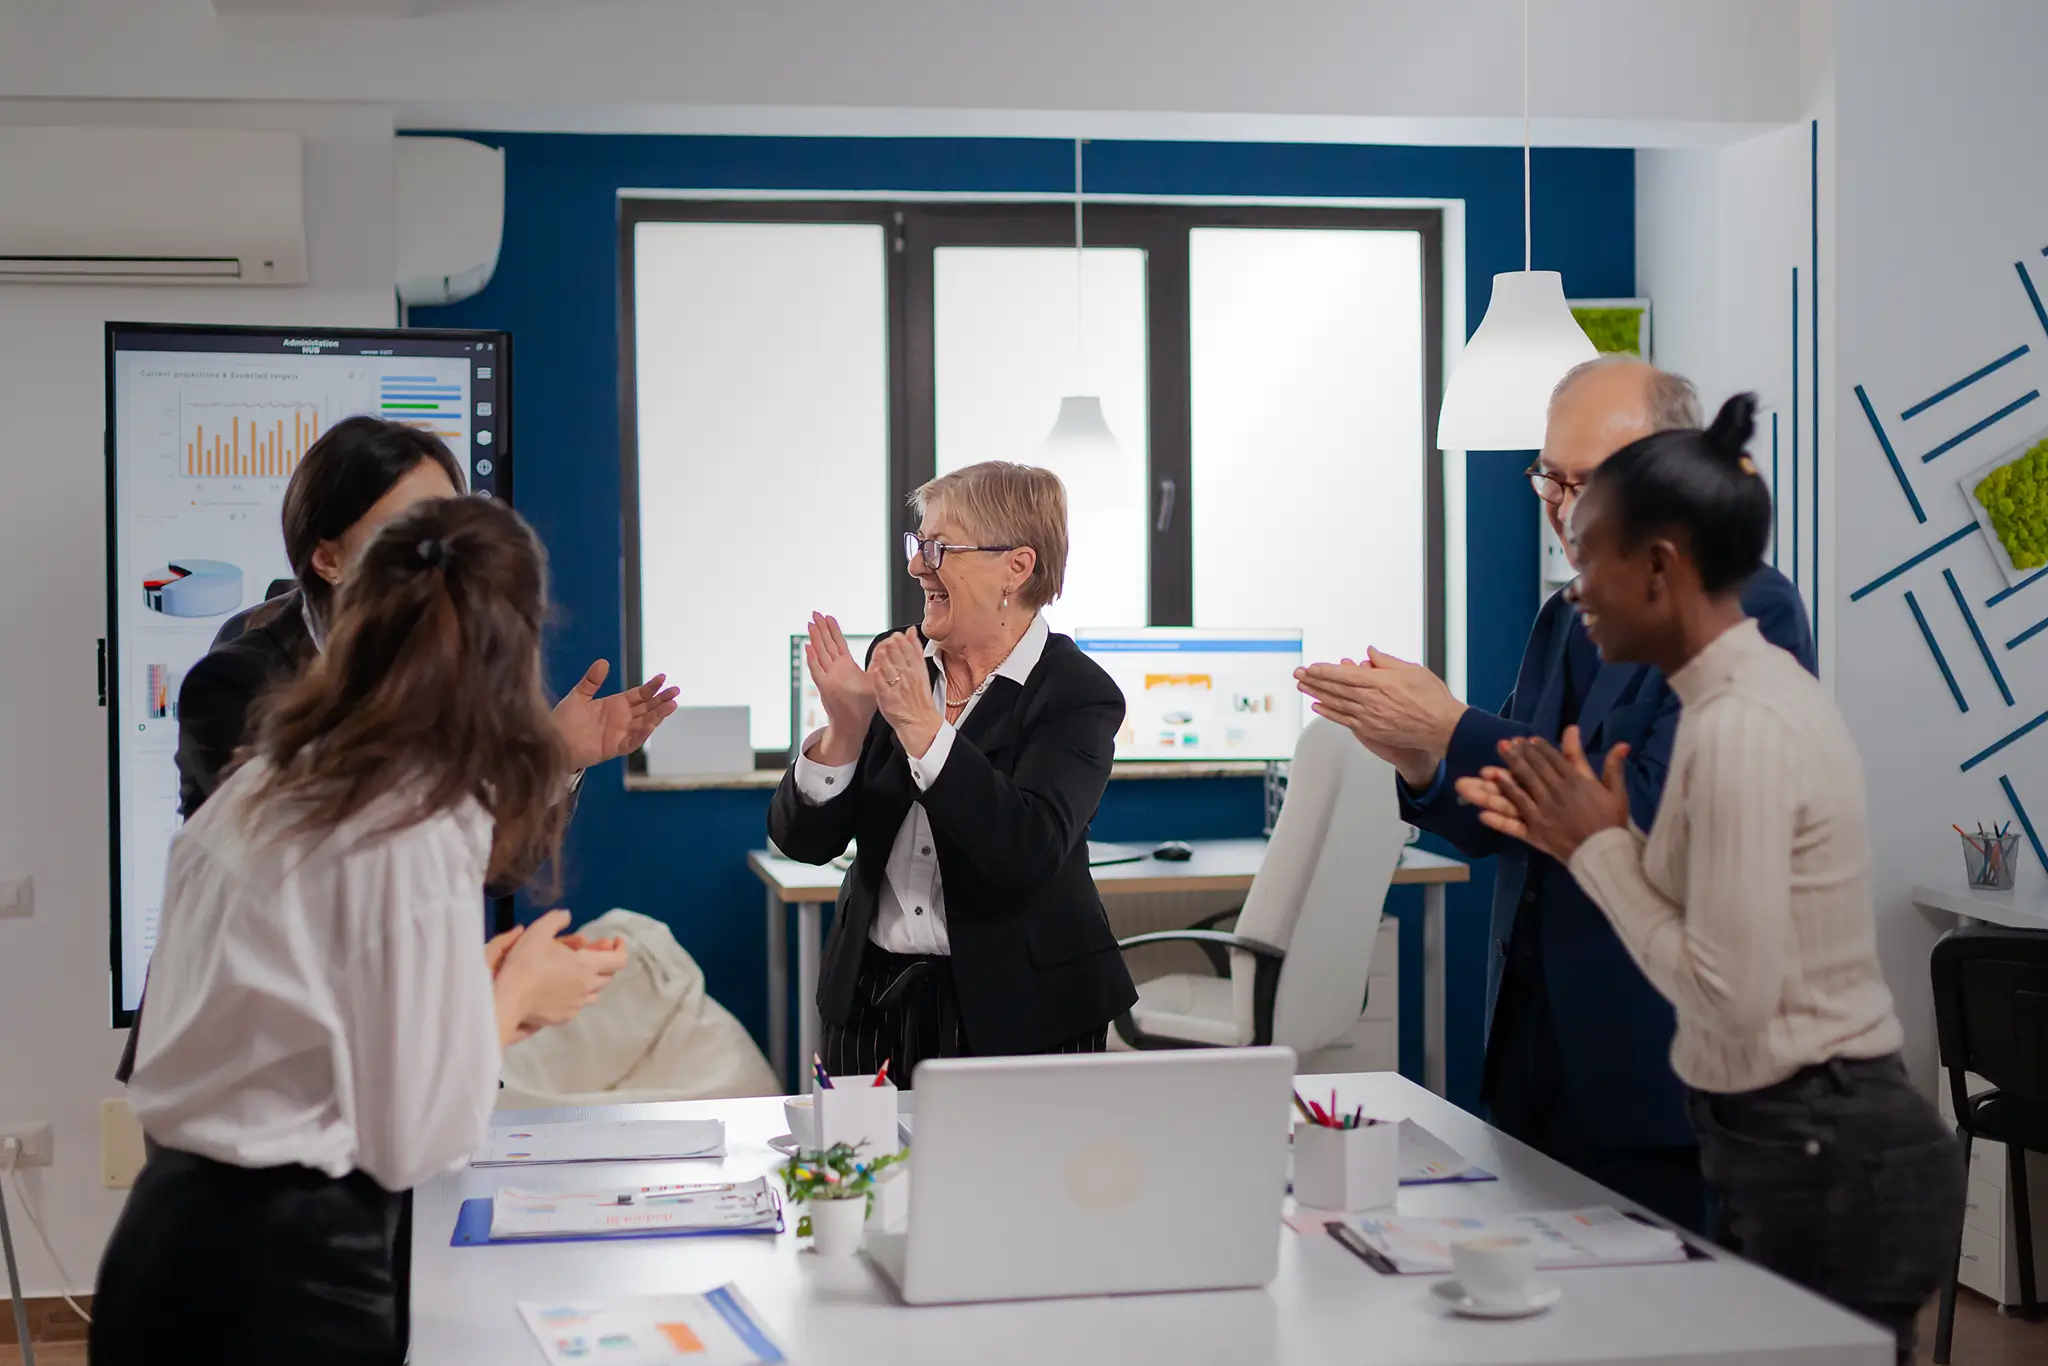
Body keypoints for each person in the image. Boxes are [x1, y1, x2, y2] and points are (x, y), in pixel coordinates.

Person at [1456, 393, 1963, 1363]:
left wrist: (1591, 846)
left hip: (1822, 1154)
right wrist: (1596, 837)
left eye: (1588, 560)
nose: (1575, 593)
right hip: (1786, 1139)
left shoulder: (1738, 727)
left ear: (1658, 567)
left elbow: (1725, 997)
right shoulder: (1723, 702)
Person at [1295, 358, 1814, 1232]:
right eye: (1552, 477)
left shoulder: (1746, 608)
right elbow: (1498, 814)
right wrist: (1420, 757)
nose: (1565, 505)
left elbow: (1654, 813)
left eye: (1592, 480)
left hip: (1666, 1074)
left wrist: (1452, 726)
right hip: (1537, 1056)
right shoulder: (1565, 615)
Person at [94, 496, 606, 1366]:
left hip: (158, 1252)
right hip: (285, 1283)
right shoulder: (411, 820)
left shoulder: (268, 780)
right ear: (513, 653)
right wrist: (515, 993)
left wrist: (467, 988)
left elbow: (302, 1014)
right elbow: (413, 1137)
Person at [121, 416, 676, 1084]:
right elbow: (335, 864)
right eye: (406, 535)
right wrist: (509, 996)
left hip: (389, 1047)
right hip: (251, 1074)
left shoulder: (447, 671)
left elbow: (493, 869)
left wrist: (556, 759)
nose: (435, 559)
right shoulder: (236, 682)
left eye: (444, 529)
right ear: (327, 557)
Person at [768, 461, 1137, 1082]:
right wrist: (845, 729)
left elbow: (1025, 849)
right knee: (865, 1179)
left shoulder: (1078, 694)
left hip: (1022, 1017)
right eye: (919, 544)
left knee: (1018, 1182)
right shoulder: (898, 656)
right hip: (869, 1011)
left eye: (939, 547)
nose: (917, 565)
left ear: (1017, 568)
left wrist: (922, 728)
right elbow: (803, 843)